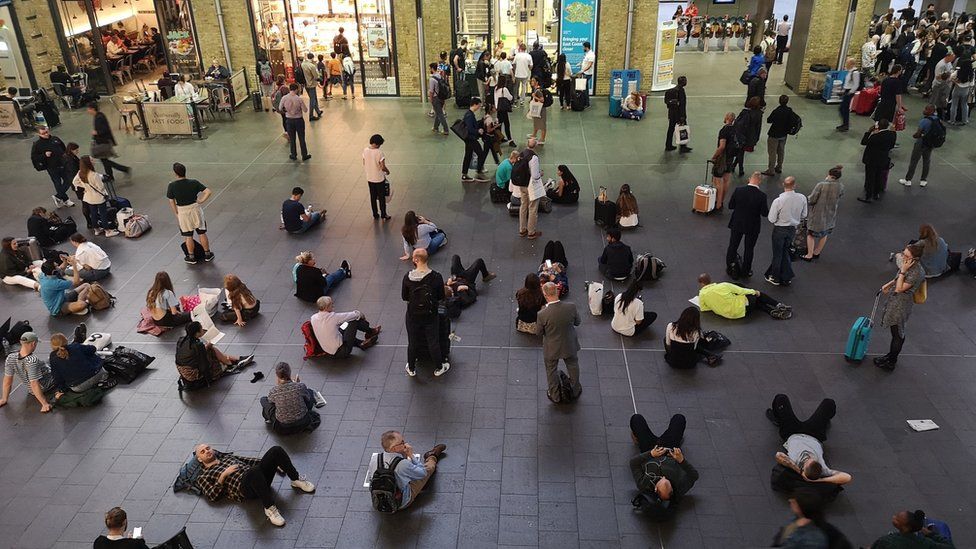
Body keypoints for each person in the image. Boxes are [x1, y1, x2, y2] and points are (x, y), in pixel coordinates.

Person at [194, 444, 315, 527]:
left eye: (208, 448)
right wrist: (223, 475)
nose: (207, 451)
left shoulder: (227, 457)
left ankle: (295, 479)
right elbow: (211, 495)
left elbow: (250, 461)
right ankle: (270, 509)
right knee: (253, 471)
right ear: (200, 459)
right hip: (245, 488)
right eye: (202, 452)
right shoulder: (203, 476)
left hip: (259, 478)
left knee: (275, 450)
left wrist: (274, 463)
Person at [766, 394, 853, 486]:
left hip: (792, 433)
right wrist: (819, 481)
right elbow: (847, 477)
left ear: (803, 469)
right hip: (815, 434)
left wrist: (798, 470)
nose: (810, 457)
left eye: (808, 461)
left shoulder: (794, 463)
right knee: (829, 403)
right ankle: (824, 422)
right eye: (813, 460)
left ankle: (777, 418)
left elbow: (778, 456)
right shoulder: (823, 468)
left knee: (781, 398)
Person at [628, 413, 697, 518]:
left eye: (661, 480)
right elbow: (694, 475)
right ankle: (677, 439)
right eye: (667, 480)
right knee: (679, 418)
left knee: (636, 419)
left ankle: (637, 439)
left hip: (650, 449)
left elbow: (633, 463)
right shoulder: (679, 489)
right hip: (670, 449)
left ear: (655, 488)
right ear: (672, 490)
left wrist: (651, 454)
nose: (664, 476)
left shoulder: (644, 485)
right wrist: (681, 460)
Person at [875, 243, 926, 370]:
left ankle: (892, 361)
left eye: (906, 256)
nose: (903, 257)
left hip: (901, 305)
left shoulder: (917, 272)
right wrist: (889, 284)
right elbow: (898, 279)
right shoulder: (908, 264)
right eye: (904, 253)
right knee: (895, 331)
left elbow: (899, 288)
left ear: (915, 258)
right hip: (895, 302)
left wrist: (903, 270)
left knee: (897, 332)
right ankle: (890, 355)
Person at [367, 431, 446, 511]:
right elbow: (423, 473)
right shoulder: (403, 464)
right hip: (401, 503)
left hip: (379, 502)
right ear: (394, 448)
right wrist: (411, 455)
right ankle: (432, 456)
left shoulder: (375, 459)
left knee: (406, 473)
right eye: (402, 442)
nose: (405, 444)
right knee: (429, 468)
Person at [402, 249, 449, 377]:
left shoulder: (407, 277)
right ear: (426, 259)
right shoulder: (436, 277)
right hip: (430, 315)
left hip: (412, 316)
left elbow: (404, 297)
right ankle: (439, 367)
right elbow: (440, 297)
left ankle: (411, 368)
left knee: (412, 342)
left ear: (416, 260)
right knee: (433, 341)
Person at [538, 281, 582, 403]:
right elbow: (577, 322)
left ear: (545, 295)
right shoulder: (571, 307)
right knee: (573, 365)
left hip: (551, 348)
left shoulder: (542, 314)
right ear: (557, 291)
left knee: (551, 370)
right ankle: (575, 390)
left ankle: (555, 395)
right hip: (569, 344)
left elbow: (539, 332)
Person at [175, 322, 253, 389]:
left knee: (211, 349)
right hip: (193, 374)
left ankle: (234, 360)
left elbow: (192, 355)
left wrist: (208, 346)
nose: (203, 330)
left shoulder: (182, 340)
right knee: (212, 351)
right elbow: (203, 365)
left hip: (184, 372)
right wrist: (210, 379)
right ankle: (231, 362)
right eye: (201, 328)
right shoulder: (198, 345)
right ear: (197, 333)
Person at [166, 162, 214, 264]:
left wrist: (176, 213)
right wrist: (201, 200)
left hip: (183, 212)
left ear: (175, 173)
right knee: (201, 232)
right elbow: (208, 192)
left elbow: (171, 201)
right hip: (195, 209)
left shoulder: (172, 186)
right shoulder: (194, 182)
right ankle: (207, 254)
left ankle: (191, 257)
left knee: (188, 235)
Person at [764, 177, 808, 286]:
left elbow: (772, 219)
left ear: (783, 185)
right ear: (795, 185)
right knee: (785, 251)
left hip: (780, 229)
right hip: (792, 229)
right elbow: (804, 215)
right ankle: (786, 276)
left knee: (778, 254)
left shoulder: (779, 201)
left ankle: (775, 277)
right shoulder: (802, 198)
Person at [0, 332, 58, 413]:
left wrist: (4, 399)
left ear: (21, 342)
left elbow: (7, 381)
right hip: (45, 384)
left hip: (33, 387)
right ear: (33, 343)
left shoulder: (11, 358)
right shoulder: (32, 360)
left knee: (49, 360)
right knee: (60, 362)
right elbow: (34, 383)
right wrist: (44, 403)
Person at [726, 172, 769, 277]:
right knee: (749, 249)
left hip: (737, 222)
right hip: (752, 226)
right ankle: (746, 271)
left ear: (749, 179)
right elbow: (764, 213)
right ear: (760, 181)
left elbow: (731, 206)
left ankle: (731, 267)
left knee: (733, 246)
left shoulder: (738, 190)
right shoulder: (762, 196)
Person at [697, 273, 792, 320]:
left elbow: (703, 308)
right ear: (710, 280)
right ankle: (778, 304)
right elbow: (741, 291)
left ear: (701, 284)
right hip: (742, 307)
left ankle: (770, 311)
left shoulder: (702, 294)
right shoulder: (723, 285)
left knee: (756, 303)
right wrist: (754, 291)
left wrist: (715, 304)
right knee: (757, 296)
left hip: (730, 315)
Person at [310, 296, 380, 358]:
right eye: (331, 304)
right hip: (342, 351)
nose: (333, 305)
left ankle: (361, 343)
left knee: (343, 327)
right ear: (326, 307)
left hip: (328, 351)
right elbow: (354, 315)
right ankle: (370, 331)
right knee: (353, 321)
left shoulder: (313, 318)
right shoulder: (332, 317)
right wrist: (362, 315)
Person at [260, 362, 320, 434]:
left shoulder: (274, 391)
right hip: (303, 421)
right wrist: (298, 383)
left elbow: (270, 401)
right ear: (290, 373)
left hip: (283, 425)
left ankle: (269, 418)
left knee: (263, 399)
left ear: (277, 375)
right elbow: (307, 398)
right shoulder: (300, 386)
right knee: (309, 392)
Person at [802, 166, 845, 261]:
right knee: (825, 233)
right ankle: (817, 252)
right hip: (830, 214)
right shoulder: (841, 186)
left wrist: (806, 200)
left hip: (818, 214)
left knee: (810, 234)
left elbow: (812, 199)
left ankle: (809, 255)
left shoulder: (821, 185)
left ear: (829, 175)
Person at [73, 155, 118, 237]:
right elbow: (101, 187)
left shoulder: (80, 172)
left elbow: (75, 182)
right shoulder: (94, 175)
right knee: (103, 213)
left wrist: (85, 187)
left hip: (89, 197)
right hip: (98, 198)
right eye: (91, 160)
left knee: (93, 214)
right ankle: (107, 231)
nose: (93, 160)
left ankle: (96, 229)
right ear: (88, 163)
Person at [899, 104, 942, 187]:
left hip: (921, 142)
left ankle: (908, 180)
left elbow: (918, 134)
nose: (924, 110)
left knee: (914, 161)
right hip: (931, 144)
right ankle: (923, 180)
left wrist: (914, 136)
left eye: (926, 109)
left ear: (931, 111)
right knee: (926, 161)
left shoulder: (924, 121)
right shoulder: (937, 119)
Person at [31, 127, 73, 209]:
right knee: (57, 183)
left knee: (68, 180)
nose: (46, 134)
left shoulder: (55, 139)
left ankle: (58, 196)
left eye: (47, 132)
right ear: (39, 134)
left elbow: (64, 148)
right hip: (51, 167)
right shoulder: (37, 144)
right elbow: (34, 157)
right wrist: (44, 155)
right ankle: (65, 199)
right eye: (43, 133)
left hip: (62, 164)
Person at [87, 102, 131, 181]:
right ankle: (110, 176)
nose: (88, 111)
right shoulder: (98, 116)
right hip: (104, 142)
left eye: (89, 109)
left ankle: (124, 169)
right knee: (104, 160)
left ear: (93, 109)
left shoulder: (99, 117)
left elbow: (104, 129)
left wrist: (96, 132)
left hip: (103, 142)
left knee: (105, 161)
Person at [870, 510, 955, 548]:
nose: (893, 517)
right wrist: (930, 534)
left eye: (897, 519)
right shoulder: (925, 543)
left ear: (905, 527)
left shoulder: (887, 541)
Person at [859, 118, 898, 202]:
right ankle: (876, 194)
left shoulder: (875, 136)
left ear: (878, 126)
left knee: (870, 177)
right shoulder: (892, 135)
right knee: (879, 176)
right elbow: (891, 145)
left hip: (871, 160)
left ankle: (868, 196)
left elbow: (864, 142)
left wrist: (869, 132)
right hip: (883, 159)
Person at [762, 95, 798, 176]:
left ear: (779, 101)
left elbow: (769, 120)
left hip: (774, 134)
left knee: (772, 153)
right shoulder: (789, 111)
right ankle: (779, 167)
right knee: (781, 151)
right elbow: (793, 121)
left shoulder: (777, 111)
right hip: (783, 134)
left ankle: (771, 170)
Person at [517, 138, 543, 240]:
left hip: (521, 185)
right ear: (535, 146)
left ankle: (522, 229)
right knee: (532, 208)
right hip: (530, 186)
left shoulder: (522, 153)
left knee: (523, 206)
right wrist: (540, 174)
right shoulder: (533, 157)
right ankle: (531, 232)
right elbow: (535, 175)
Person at [361, 134, 392, 221]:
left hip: (369, 178)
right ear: (378, 144)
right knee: (381, 198)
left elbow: (364, 162)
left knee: (373, 197)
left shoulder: (365, 150)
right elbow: (382, 167)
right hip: (379, 179)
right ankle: (384, 214)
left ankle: (375, 214)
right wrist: (387, 171)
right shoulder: (379, 152)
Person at [711, 112, 738, 210]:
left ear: (726, 118)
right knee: (726, 180)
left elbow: (722, 146)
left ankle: (717, 204)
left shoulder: (724, 130)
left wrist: (714, 156)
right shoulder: (735, 129)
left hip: (722, 158)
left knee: (718, 181)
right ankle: (721, 202)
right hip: (731, 157)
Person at [279, 83, 311, 161]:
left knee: (292, 139)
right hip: (298, 120)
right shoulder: (299, 99)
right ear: (296, 89)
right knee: (301, 138)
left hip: (289, 120)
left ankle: (293, 154)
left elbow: (280, 108)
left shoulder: (284, 98)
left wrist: (286, 110)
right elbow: (305, 110)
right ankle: (304, 155)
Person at [461, 97, 489, 182]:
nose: (479, 108)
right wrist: (478, 131)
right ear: (475, 104)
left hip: (468, 139)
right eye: (479, 105)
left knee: (468, 155)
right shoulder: (470, 115)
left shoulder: (468, 114)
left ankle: (464, 174)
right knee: (481, 154)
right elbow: (470, 129)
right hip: (471, 139)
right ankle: (479, 173)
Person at [664, 76, 689, 151]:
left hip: (672, 114)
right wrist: (683, 116)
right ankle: (683, 146)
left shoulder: (672, 91)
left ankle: (668, 145)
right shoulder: (680, 91)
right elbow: (682, 105)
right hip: (679, 114)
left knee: (671, 129)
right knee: (682, 129)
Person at [837, 58, 862, 131]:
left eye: (847, 63)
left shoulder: (855, 73)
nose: (846, 65)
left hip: (849, 92)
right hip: (847, 91)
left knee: (843, 108)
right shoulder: (849, 71)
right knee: (843, 108)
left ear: (851, 64)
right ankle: (845, 124)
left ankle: (845, 124)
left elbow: (856, 84)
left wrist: (850, 92)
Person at [948, 57, 973, 125]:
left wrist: (955, 81)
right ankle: (965, 120)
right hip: (965, 91)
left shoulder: (958, 72)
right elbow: (971, 84)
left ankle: (952, 120)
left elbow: (950, 78)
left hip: (957, 90)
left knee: (954, 105)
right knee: (964, 105)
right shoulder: (971, 74)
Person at [494, 75, 516, 146]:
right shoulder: (504, 89)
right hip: (503, 109)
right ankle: (510, 140)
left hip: (498, 109)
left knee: (499, 125)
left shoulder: (496, 88)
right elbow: (510, 98)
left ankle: (499, 139)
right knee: (507, 124)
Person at [428, 63, 449, 135]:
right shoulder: (440, 76)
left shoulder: (432, 79)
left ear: (432, 69)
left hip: (435, 98)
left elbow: (431, 91)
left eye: (430, 68)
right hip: (441, 97)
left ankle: (446, 129)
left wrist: (431, 99)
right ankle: (435, 127)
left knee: (440, 114)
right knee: (438, 112)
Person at [300, 53, 322, 119]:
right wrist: (320, 78)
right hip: (311, 84)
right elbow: (315, 76)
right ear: (312, 58)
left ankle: (318, 111)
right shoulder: (312, 66)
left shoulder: (303, 64)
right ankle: (311, 115)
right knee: (312, 99)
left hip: (305, 84)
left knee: (313, 98)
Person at [527, 80, 550, 144]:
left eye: (533, 81)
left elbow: (542, 100)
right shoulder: (535, 89)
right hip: (538, 109)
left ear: (537, 82)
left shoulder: (538, 90)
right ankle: (534, 134)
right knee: (536, 122)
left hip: (541, 110)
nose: (531, 82)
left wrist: (534, 96)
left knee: (542, 124)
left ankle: (542, 139)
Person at [580, 41, 595, 107]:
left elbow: (589, 65)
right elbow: (586, 62)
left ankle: (587, 103)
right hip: (585, 73)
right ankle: (585, 102)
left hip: (587, 74)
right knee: (584, 88)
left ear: (586, 47)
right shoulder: (587, 54)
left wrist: (582, 70)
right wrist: (581, 64)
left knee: (585, 89)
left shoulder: (591, 55)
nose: (582, 48)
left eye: (583, 47)